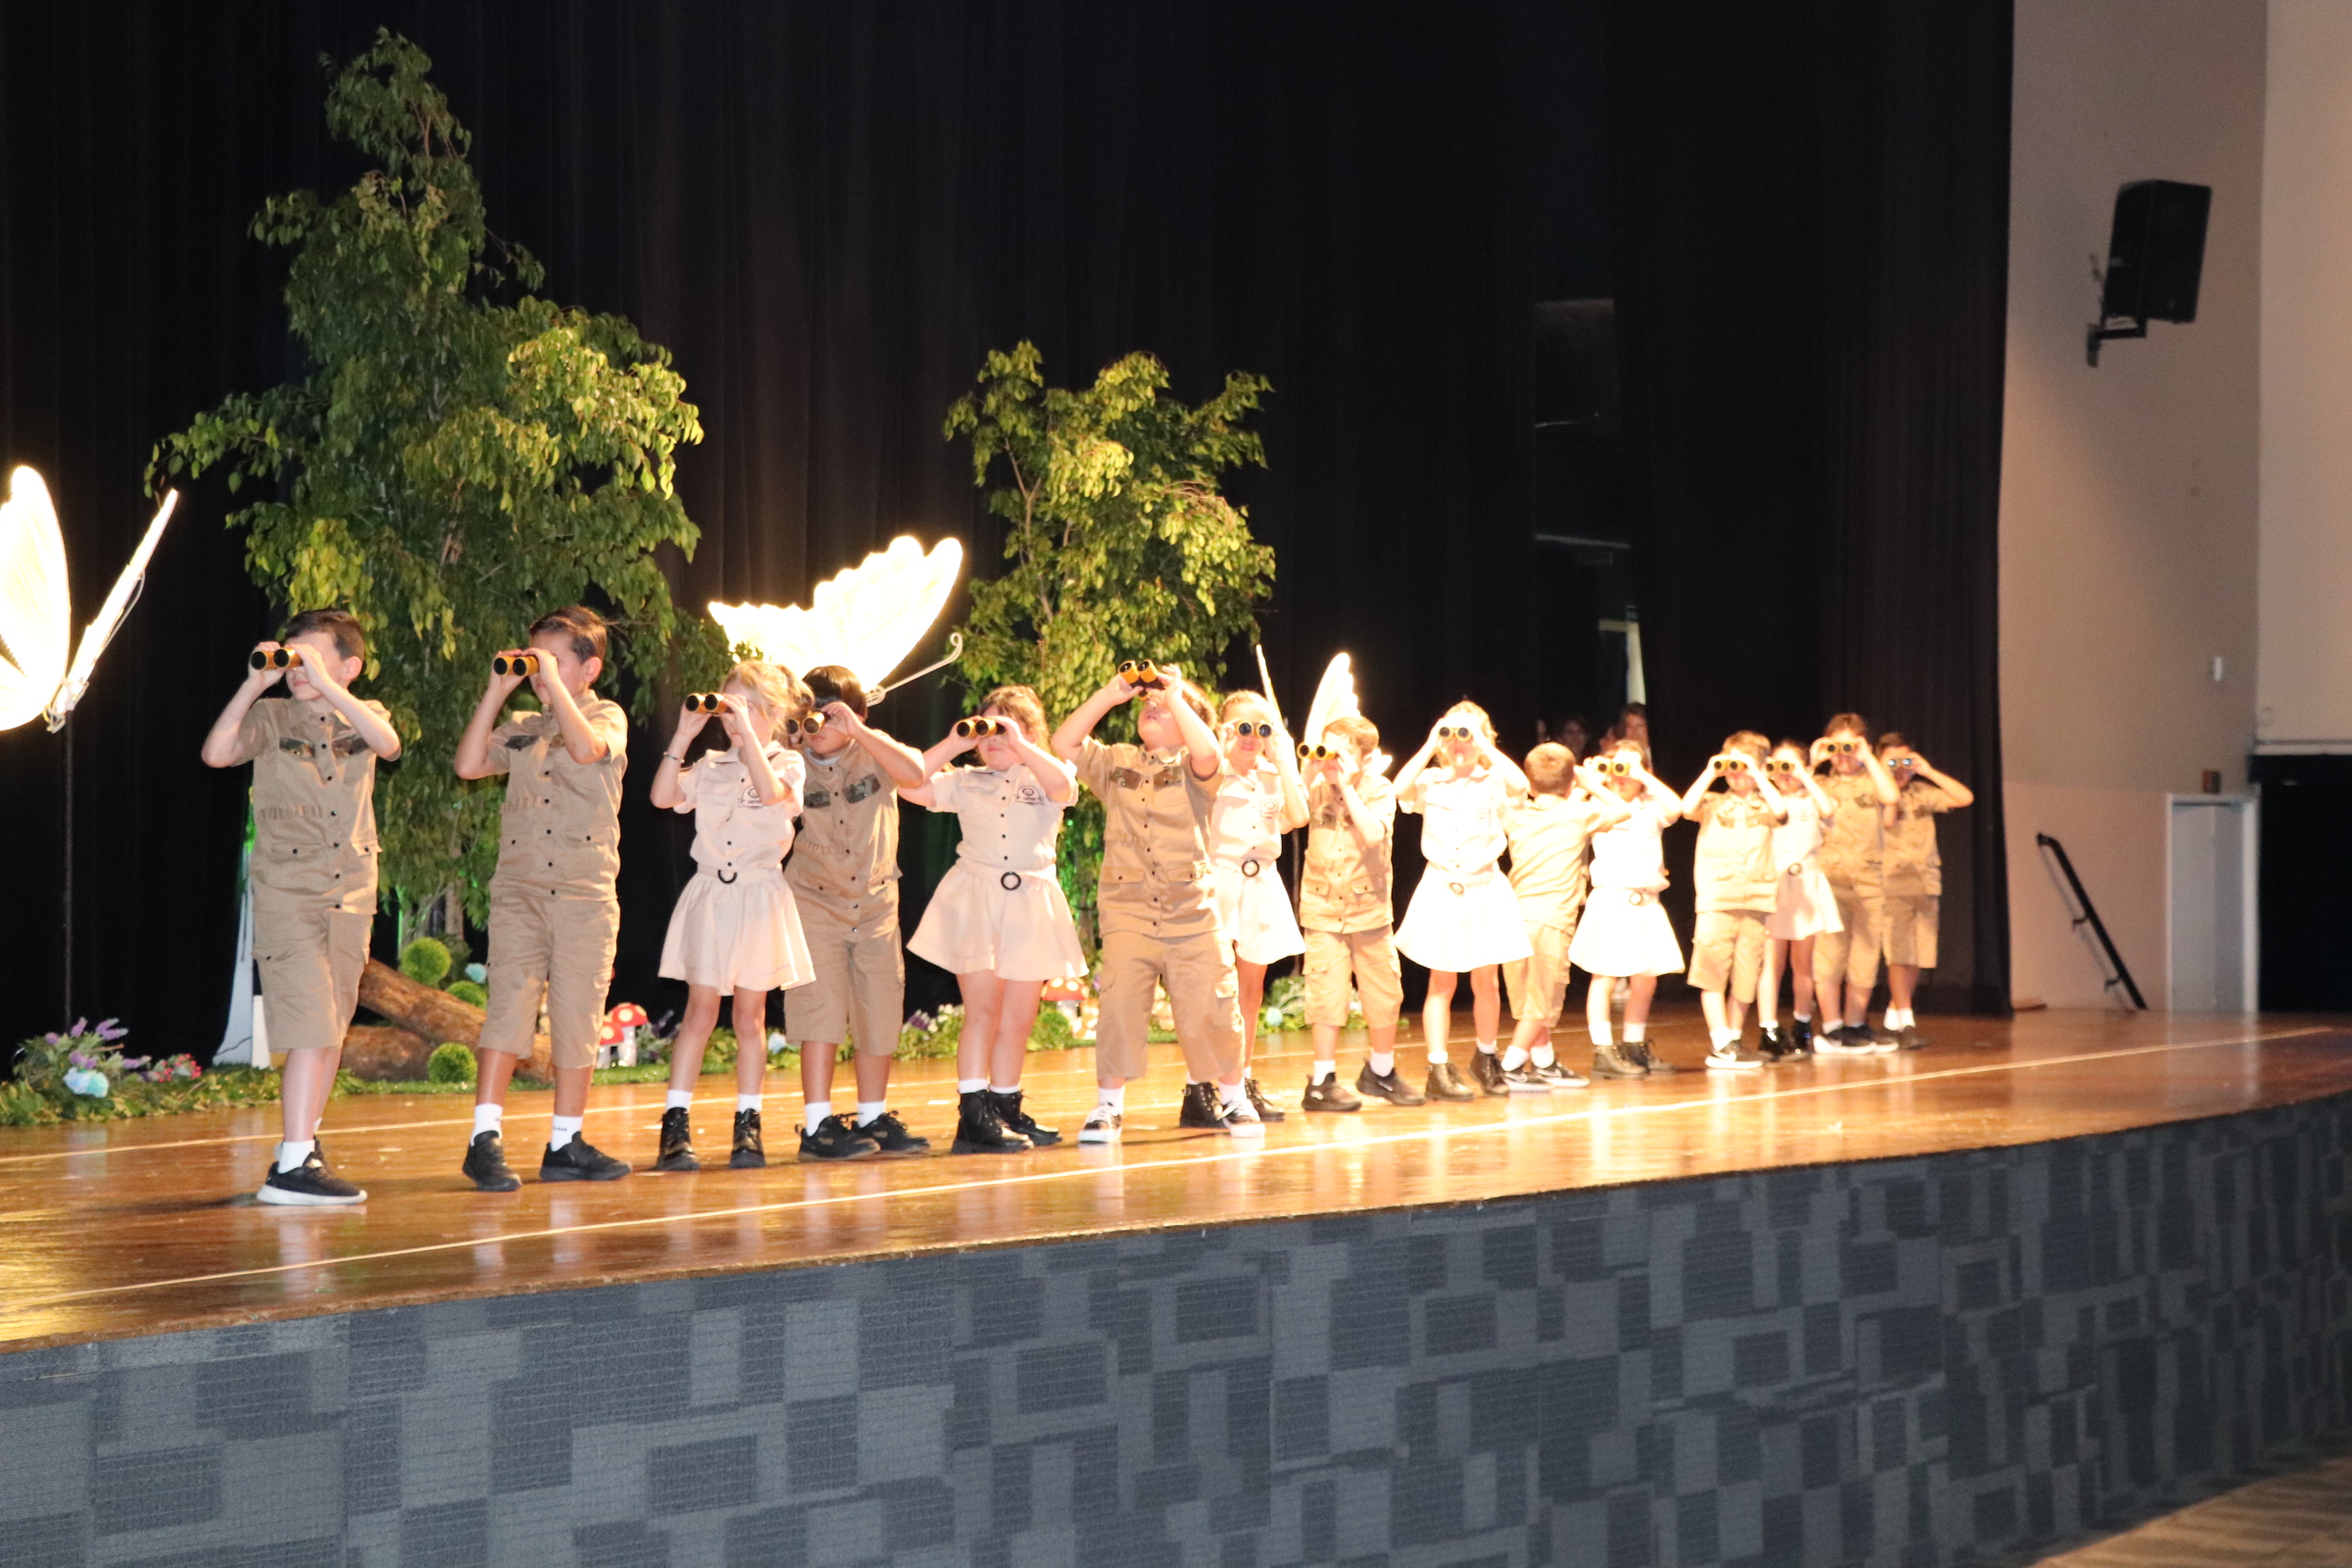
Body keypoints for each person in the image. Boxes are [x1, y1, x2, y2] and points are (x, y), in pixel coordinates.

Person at [200, 609, 402, 1204]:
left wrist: (329, 688)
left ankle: (303, 1147)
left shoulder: (365, 713)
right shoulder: (272, 715)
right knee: (311, 1026)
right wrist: (254, 685)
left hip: (351, 892)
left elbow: (388, 746)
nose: (297, 669)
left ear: (350, 666)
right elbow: (216, 754)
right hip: (288, 893)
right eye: (292, 657)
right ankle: (290, 1166)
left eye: (311, 657)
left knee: (331, 1029)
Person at [453, 607, 633, 1189]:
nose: (538, 671)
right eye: (535, 659)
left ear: (589, 668)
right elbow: (469, 764)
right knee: (508, 1007)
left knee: (578, 1016)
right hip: (521, 890)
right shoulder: (524, 724)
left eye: (553, 660)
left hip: (584, 893)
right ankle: (484, 1139)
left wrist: (554, 685)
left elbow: (586, 750)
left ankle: (565, 1144)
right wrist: (496, 691)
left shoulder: (606, 715)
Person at [1053, 662, 1260, 1143]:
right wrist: (1111, 693)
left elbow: (1208, 753)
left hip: (1191, 911)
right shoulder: (1119, 761)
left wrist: (1176, 696)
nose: (1152, 707)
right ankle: (1108, 1107)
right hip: (1127, 908)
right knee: (1120, 1005)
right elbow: (1064, 742)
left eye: (1161, 708)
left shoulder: (1196, 766)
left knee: (1212, 1005)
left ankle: (1234, 1098)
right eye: (1147, 705)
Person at [903, 686, 1086, 1153]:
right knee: (983, 1011)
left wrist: (1021, 743)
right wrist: (954, 742)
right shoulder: (965, 781)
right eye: (987, 730)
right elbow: (907, 783)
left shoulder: (1048, 774)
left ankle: (1005, 1107)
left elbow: (1063, 788)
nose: (994, 739)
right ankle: (973, 1116)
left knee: (1019, 1018)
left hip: (1030, 901)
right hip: (976, 900)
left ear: (1030, 732)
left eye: (1004, 728)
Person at [648, 662, 814, 1171]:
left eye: (745, 708)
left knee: (749, 1016)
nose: (731, 719)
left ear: (774, 712)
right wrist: (683, 735)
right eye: (727, 707)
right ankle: (675, 1125)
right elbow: (662, 797)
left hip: (758, 894)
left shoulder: (788, 762)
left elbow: (772, 795)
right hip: (711, 895)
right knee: (699, 1012)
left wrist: (749, 738)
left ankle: (748, 1124)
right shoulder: (712, 765)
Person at [785, 665, 932, 1157]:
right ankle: (817, 1127)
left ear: (858, 713)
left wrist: (860, 732)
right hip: (814, 901)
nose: (820, 725)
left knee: (879, 1007)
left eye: (831, 714)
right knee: (819, 1011)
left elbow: (916, 774)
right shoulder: (790, 761)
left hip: (875, 904)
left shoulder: (875, 750)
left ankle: (873, 1117)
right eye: (812, 714)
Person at [1393, 702, 1533, 1102]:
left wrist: (1484, 744)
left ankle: (1486, 1057)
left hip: (1483, 887)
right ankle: (1438, 1067)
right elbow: (1399, 790)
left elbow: (1521, 786)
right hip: (1442, 886)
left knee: (1486, 980)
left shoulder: (1493, 780)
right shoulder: (1431, 781)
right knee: (1441, 981)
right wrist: (1430, 743)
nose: (1459, 742)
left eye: (1466, 734)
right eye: (1451, 734)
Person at [1496, 743, 1627, 1092]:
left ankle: (1543, 1063)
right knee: (1543, 1001)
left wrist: (1574, 786)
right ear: (1571, 783)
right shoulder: (1578, 814)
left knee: (1529, 999)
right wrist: (1590, 783)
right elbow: (1622, 809)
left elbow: (1551, 805)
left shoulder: (1518, 814)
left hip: (1514, 920)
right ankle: (1509, 1067)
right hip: (1551, 921)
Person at [1207, 690, 1308, 1124]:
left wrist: (1284, 760)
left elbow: (1298, 817)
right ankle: (1208, 1083)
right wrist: (1221, 748)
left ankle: (1243, 1079)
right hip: (1220, 881)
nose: (1251, 736)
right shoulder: (1211, 772)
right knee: (1215, 990)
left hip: (1261, 883)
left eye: (1260, 728)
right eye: (1242, 727)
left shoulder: (1272, 775)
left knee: (1251, 991)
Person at [1296, 716, 1402, 1112]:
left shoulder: (1379, 789)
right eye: (1327, 750)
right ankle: (1321, 1082)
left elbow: (1373, 835)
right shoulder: (1314, 789)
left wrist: (1347, 787)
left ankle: (1381, 1072)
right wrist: (1308, 773)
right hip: (1323, 910)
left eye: (1341, 753)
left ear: (1366, 757)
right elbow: (1290, 818)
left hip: (1369, 911)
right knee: (1326, 995)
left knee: (1384, 993)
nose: (1331, 760)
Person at [1566, 742, 1685, 1078]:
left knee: (1645, 979)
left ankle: (1634, 1045)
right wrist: (1591, 781)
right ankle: (1603, 1050)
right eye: (1615, 767)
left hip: (1645, 900)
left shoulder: (1650, 807)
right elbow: (1566, 813)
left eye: (1626, 769)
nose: (1620, 775)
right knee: (1604, 976)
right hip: (1612, 898)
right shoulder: (1597, 804)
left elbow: (1676, 808)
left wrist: (1642, 774)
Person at [1679, 733, 1788, 1072]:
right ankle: (1721, 1042)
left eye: (1743, 765)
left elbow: (1782, 811)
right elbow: (1686, 808)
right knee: (1711, 973)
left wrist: (1758, 774)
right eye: (1733, 764)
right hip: (1718, 899)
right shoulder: (1713, 802)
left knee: (1746, 975)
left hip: (1756, 900)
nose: (1736, 772)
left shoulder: (1765, 804)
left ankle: (1735, 1038)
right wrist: (1711, 771)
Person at [1876, 733, 1974, 1050]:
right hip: (1893, 881)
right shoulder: (1875, 793)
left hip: (1925, 880)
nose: (1899, 768)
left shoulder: (1920, 792)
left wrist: (1927, 771)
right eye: (1891, 761)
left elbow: (1964, 797)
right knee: (1899, 954)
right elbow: (1886, 822)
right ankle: (1906, 1021)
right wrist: (1885, 777)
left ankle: (1893, 1020)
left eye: (1904, 761)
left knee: (1918, 954)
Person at [1811, 712, 1900, 1055]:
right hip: (1830, 880)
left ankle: (1855, 1023)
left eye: (1849, 746)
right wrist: (1813, 761)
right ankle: (1833, 1027)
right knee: (1829, 956)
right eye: (1837, 746)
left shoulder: (1872, 780)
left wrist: (1868, 757)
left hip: (1868, 881)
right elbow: (1793, 794)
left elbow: (1891, 796)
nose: (1843, 754)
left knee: (1865, 957)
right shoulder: (1821, 783)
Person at [1755, 738, 1840, 1058]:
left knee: (1803, 962)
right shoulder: (1765, 799)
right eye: (1779, 766)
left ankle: (1802, 1023)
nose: (1785, 773)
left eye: (1790, 766)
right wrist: (1766, 775)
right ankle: (1768, 1028)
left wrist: (1805, 774)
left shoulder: (1812, 800)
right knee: (1771, 962)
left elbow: (1828, 810)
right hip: (1774, 884)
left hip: (1805, 882)